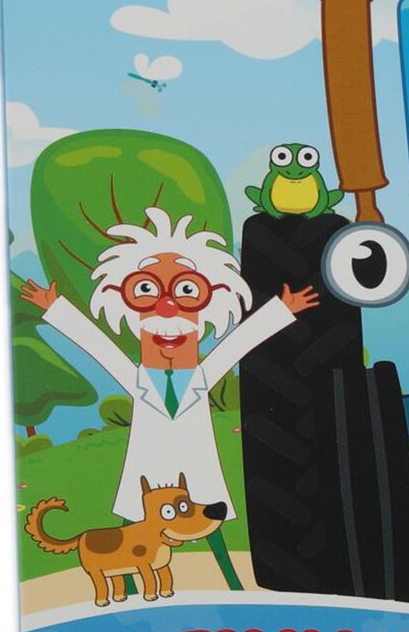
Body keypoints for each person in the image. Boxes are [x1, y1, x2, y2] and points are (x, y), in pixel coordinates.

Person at [20, 206, 318, 525]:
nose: (166, 307)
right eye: (146, 290)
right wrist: (55, 308)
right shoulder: (136, 378)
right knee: (137, 514)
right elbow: (98, 346)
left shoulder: (202, 375)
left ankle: (220, 557)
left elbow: (238, 343)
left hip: (197, 468)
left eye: (186, 291)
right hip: (147, 470)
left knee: (207, 513)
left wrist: (282, 310)